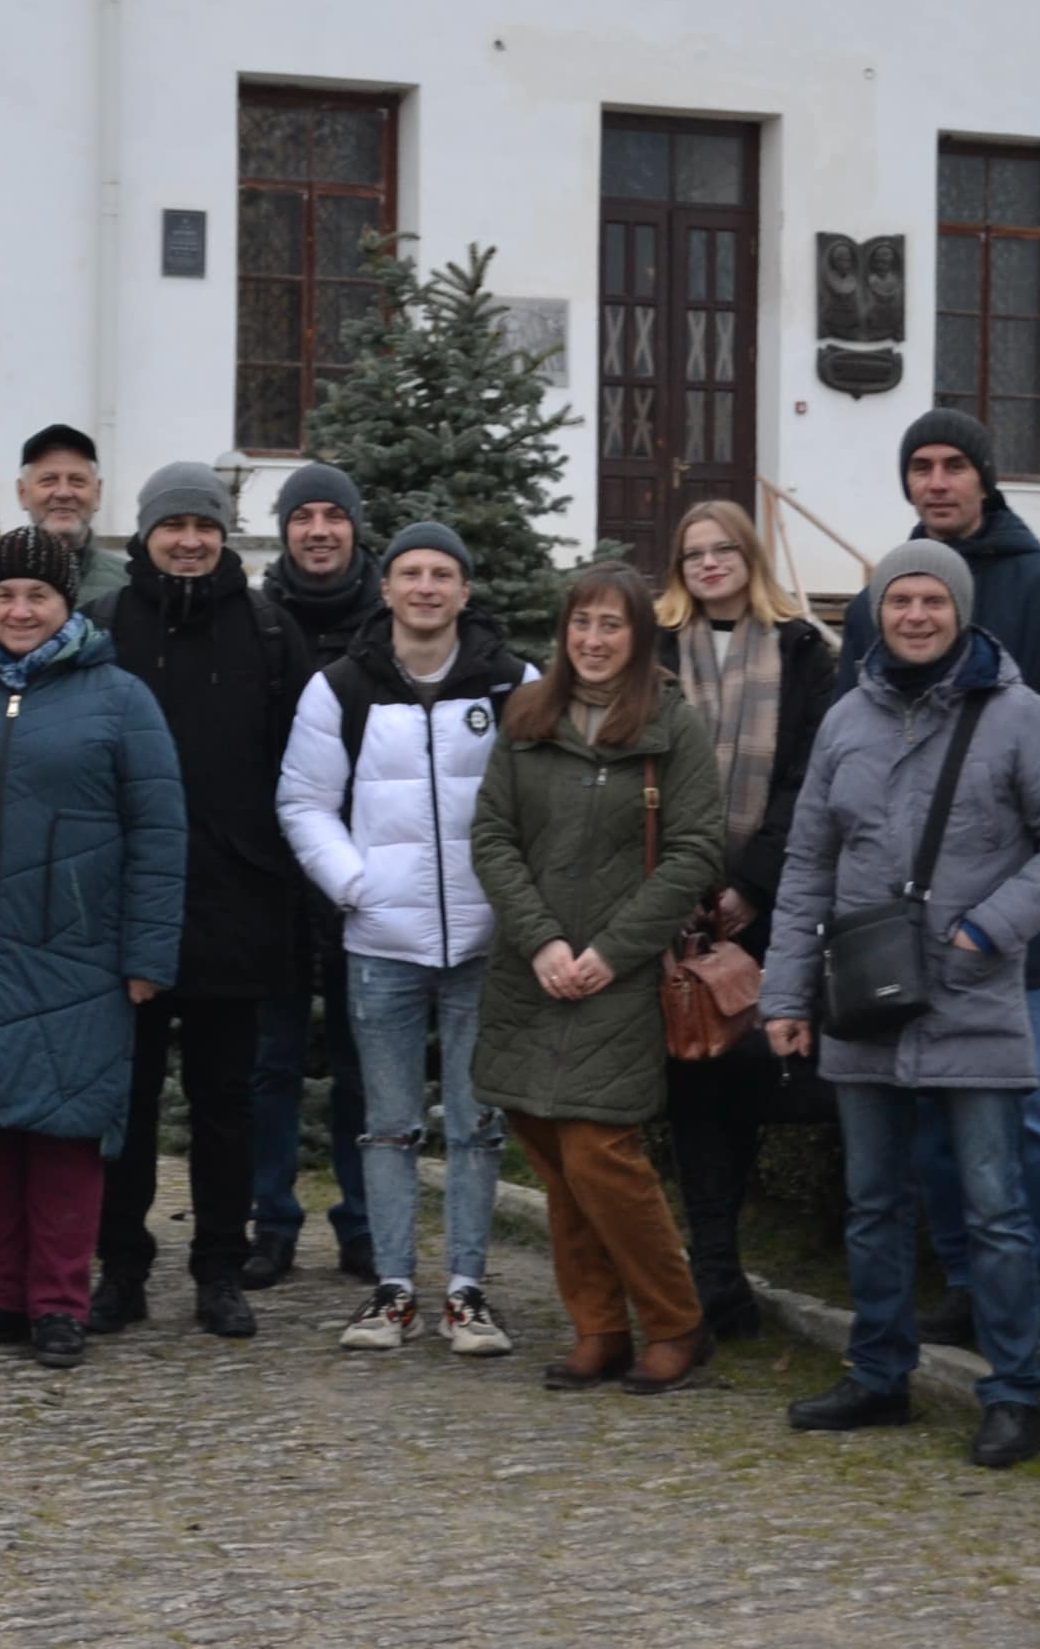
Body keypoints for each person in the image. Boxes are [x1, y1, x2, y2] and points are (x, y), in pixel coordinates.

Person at [765, 542, 1040, 1468]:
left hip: (972, 997)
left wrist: (989, 929)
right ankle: (879, 1376)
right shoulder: (845, 722)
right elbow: (807, 868)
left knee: (996, 1211)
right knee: (873, 1203)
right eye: (898, 601)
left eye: (932, 601)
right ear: (876, 613)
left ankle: (1013, 1389)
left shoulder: (1020, 716)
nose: (914, 616)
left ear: (960, 611)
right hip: (866, 998)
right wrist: (784, 995)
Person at [833, 409, 1040, 1351]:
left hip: (1013, 920)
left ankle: (1030, 1304)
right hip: (897, 926)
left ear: (985, 477)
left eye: (954, 464)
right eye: (919, 466)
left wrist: (1022, 813)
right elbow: (854, 736)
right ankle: (967, 1284)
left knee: (1025, 1119)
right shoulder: (877, 594)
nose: (936, 481)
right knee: (926, 1124)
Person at [0, 527, 186, 1370]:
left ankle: (60, 1300)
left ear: (68, 604)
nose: (21, 610)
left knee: (64, 1133)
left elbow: (161, 834)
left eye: (39, 596)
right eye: (6, 596)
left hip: (81, 953)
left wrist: (148, 958)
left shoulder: (120, 699)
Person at [276, 520, 534, 1360]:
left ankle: (466, 1290)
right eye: (410, 574)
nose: (425, 588)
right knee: (387, 1123)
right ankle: (392, 1290)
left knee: (476, 1122)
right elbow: (304, 803)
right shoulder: (341, 687)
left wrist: (517, 902)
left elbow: (546, 800)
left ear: (464, 590)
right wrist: (357, 886)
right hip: (381, 941)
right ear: (385, 590)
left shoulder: (513, 685)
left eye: (443, 574)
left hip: (487, 940)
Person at [471, 564, 727, 1394]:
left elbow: (694, 850)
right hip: (530, 972)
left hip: (616, 973)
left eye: (612, 625)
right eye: (582, 623)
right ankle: (599, 1327)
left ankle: (678, 1324)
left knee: (600, 1152)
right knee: (551, 1153)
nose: (593, 640)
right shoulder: (528, 715)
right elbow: (493, 838)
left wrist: (614, 949)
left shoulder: (672, 725)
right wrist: (540, 940)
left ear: (640, 636)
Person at [84, 462, 313, 1340]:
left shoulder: (268, 631)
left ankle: (220, 1267)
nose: (189, 541)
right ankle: (120, 1269)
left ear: (225, 535)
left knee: (227, 1103)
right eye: (173, 525)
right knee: (126, 1103)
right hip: (127, 908)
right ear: (144, 534)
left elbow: (302, 774)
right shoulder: (105, 627)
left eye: (205, 526)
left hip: (236, 903)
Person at [657, 499, 841, 1339]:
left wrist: (753, 886)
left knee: (752, 1080)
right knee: (693, 1084)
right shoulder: (656, 649)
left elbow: (810, 778)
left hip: (771, 908)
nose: (708, 564)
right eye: (693, 553)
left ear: (749, 555)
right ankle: (716, 1273)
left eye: (723, 548)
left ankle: (729, 1259)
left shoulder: (803, 651)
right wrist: (686, 886)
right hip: (672, 911)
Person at [246, 461, 381, 1291]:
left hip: (370, 879)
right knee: (272, 1064)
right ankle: (273, 1224)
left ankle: (365, 1226)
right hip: (274, 876)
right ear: (286, 530)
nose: (319, 530)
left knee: (368, 1064)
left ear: (355, 528)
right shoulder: (258, 621)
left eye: (334, 515)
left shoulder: (390, 617)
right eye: (304, 517)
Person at [8, 422, 126, 607]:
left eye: (77, 481)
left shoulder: (128, 585)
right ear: (23, 493)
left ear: (98, 494)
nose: (63, 493)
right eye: (48, 480)